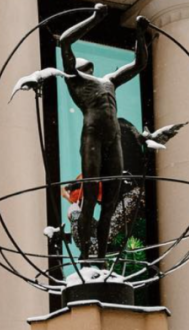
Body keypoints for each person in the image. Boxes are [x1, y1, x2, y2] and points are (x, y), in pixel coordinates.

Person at [57, 5, 150, 258]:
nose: (87, 66)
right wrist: (95, 18)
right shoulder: (73, 79)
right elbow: (65, 41)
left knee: (110, 200)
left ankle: (99, 260)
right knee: (89, 198)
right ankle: (86, 254)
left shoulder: (108, 81)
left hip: (113, 139)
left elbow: (140, 64)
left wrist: (141, 34)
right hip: (93, 136)